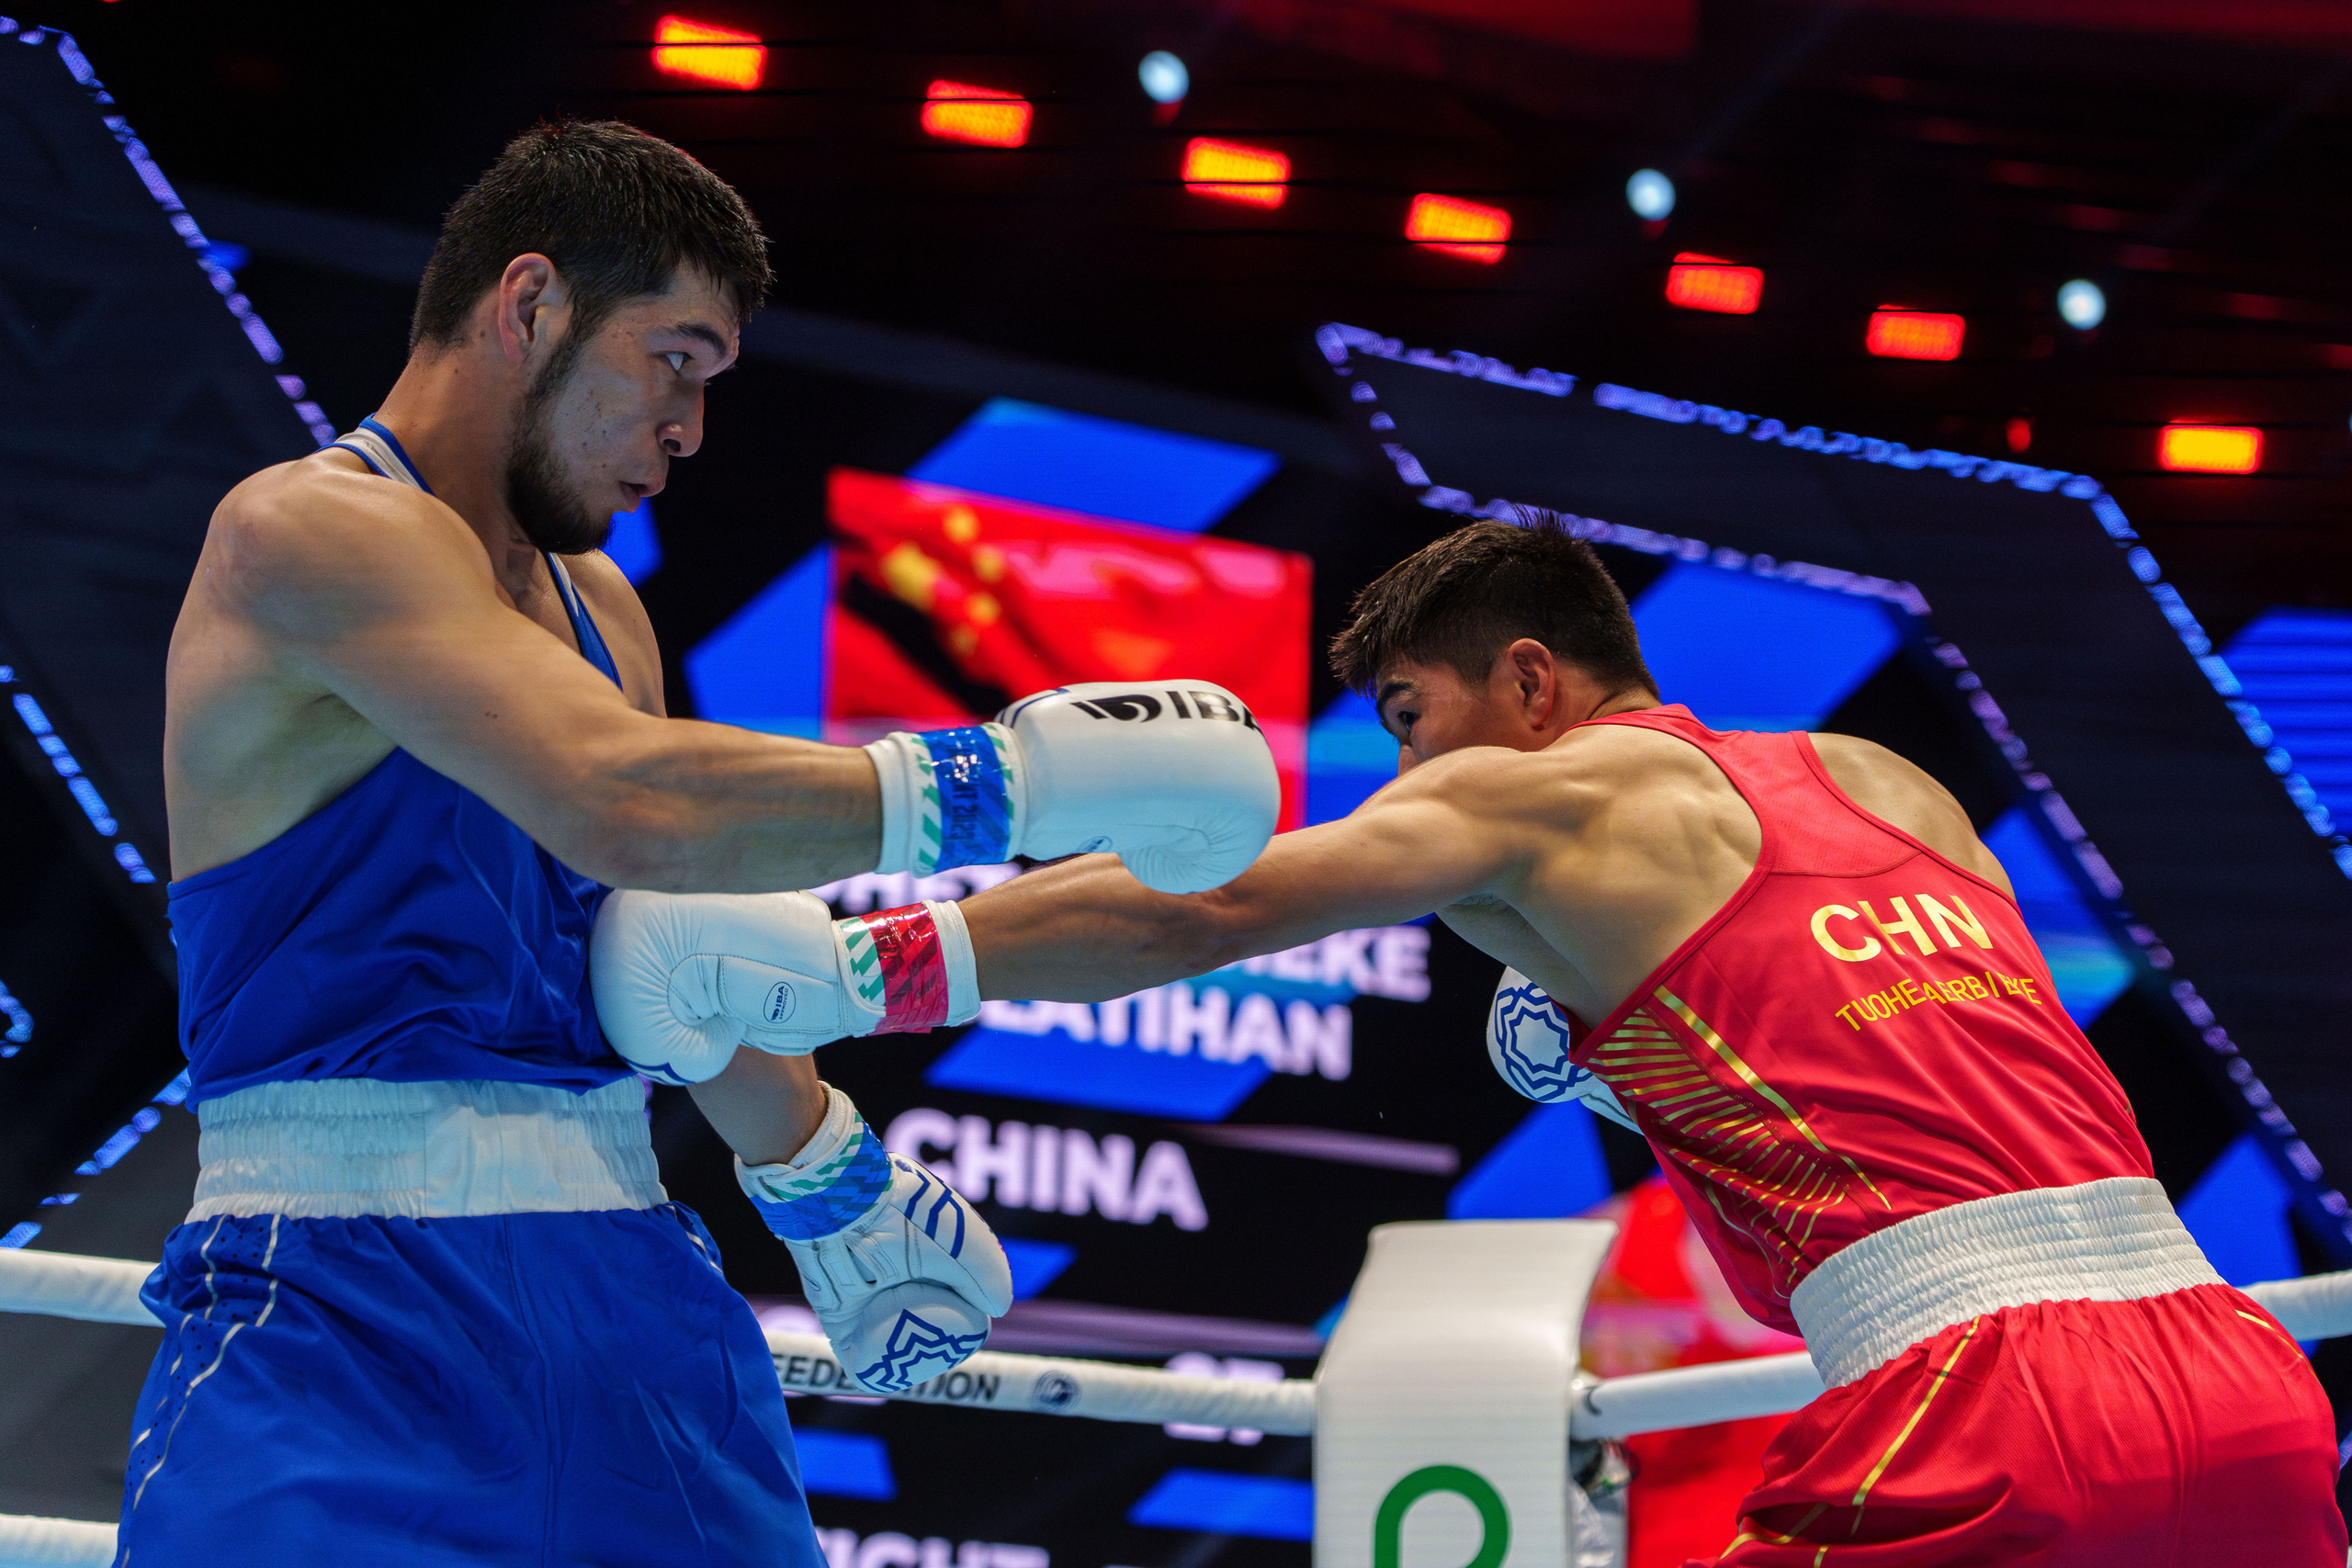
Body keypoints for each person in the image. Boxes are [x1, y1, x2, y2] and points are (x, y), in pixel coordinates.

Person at [596, 518, 2348, 1565]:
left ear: (1529, 685)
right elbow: (1927, 1065)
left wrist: (844, 977)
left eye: (1419, 722)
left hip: (1988, 1403)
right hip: (2242, 1384)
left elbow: (1207, 904)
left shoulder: (1553, 799)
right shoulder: (1882, 780)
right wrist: (1618, 1031)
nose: (1419, 777)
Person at [141, 118, 1278, 1565]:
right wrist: (1010, 782)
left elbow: (669, 946)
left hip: (626, 1290)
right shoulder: (306, 532)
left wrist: (827, 1178)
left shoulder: (601, 608)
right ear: (530, 303)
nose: (688, 428)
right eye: (673, 360)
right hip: (336, 1310)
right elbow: (622, 796)